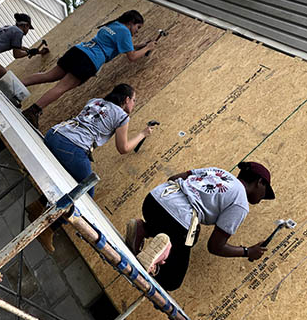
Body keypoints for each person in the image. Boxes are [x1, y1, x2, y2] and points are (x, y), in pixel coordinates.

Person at [27, 83, 156, 252]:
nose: (134, 104)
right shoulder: (122, 116)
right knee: (86, 192)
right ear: (126, 100)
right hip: (71, 147)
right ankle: (50, 229)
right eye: (134, 100)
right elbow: (123, 148)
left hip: (54, 134)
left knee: (71, 179)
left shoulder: (95, 101)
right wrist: (143, 134)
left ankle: (38, 205)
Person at [125, 161, 276, 291]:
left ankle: (143, 229)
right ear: (260, 182)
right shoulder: (240, 202)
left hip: (153, 201)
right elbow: (215, 246)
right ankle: (153, 266)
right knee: (172, 280)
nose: (263, 198)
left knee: (192, 233)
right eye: (265, 192)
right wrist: (247, 252)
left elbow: (174, 178)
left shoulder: (219, 172)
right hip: (177, 221)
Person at [22, 10, 157, 128]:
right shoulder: (125, 32)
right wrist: (148, 48)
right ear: (131, 22)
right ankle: (33, 111)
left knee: (48, 75)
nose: (137, 32)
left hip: (79, 50)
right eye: (137, 27)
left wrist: (141, 46)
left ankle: (16, 84)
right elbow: (132, 57)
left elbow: (125, 47)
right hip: (89, 60)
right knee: (62, 87)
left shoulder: (113, 25)